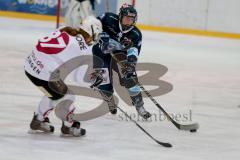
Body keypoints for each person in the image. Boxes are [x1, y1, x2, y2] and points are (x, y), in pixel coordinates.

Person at [24, 16, 102, 136]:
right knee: (68, 96)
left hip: (30, 65)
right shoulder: (83, 48)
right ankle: (68, 127)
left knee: (54, 93)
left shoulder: (65, 28)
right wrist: (95, 82)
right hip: (42, 74)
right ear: (93, 32)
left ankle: (38, 120)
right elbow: (79, 78)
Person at [90, 3, 151, 119]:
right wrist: (98, 35)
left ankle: (139, 106)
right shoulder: (107, 18)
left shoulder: (136, 34)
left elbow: (134, 51)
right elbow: (92, 25)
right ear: (120, 16)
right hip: (101, 52)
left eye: (131, 19)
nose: (129, 22)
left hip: (121, 54)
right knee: (103, 79)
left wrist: (131, 64)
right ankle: (109, 99)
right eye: (126, 18)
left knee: (130, 77)